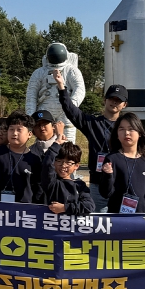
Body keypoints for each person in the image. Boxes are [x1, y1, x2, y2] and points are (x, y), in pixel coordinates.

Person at [40, 136, 93, 289]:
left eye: (69, 162)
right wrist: (55, 145)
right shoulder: (51, 183)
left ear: (76, 166)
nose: (63, 166)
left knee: (70, 284)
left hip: (71, 246)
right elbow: (46, 165)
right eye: (59, 161)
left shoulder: (80, 185)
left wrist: (65, 208)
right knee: (45, 282)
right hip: (47, 242)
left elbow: (88, 207)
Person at [55, 68, 128, 213]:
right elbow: (70, 110)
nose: (114, 102)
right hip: (98, 183)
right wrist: (61, 86)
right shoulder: (92, 123)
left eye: (118, 100)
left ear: (124, 104)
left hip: (121, 182)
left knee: (122, 222)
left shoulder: (127, 127)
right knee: (98, 221)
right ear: (105, 100)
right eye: (111, 98)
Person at [100, 113, 145, 214]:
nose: (126, 133)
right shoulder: (112, 159)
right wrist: (107, 176)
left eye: (131, 129)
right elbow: (105, 193)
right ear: (117, 134)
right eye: (121, 129)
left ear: (140, 133)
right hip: (119, 218)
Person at [0, 110, 44, 204]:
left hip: (25, 208)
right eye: (11, 129)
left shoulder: (34, 158)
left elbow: (38, 187)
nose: (14, 133)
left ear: (29, 134)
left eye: (19, 130)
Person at [25, 42, 86, 142]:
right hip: (44, 111)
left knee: (67, 142)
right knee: (43, 142)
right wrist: (30, 117)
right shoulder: (39, 72)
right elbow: (31, 95)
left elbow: (80, 90)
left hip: (65, 112)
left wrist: (71, 106)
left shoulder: (71, 70)